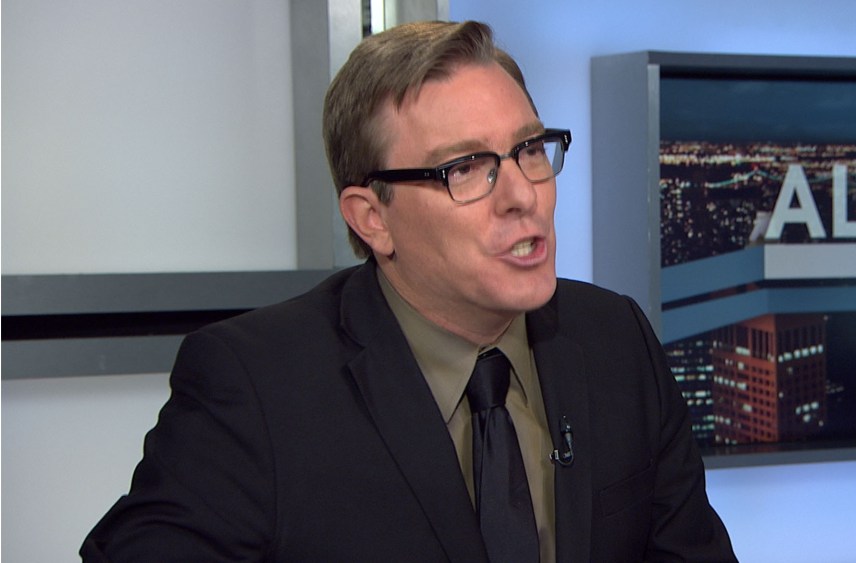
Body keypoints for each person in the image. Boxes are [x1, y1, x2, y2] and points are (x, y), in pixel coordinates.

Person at [81, 20, 736, 562]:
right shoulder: (256, 386)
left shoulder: (616, 338)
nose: (522, 195)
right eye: (465, 168)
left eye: (530, 149)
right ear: (373, 217)